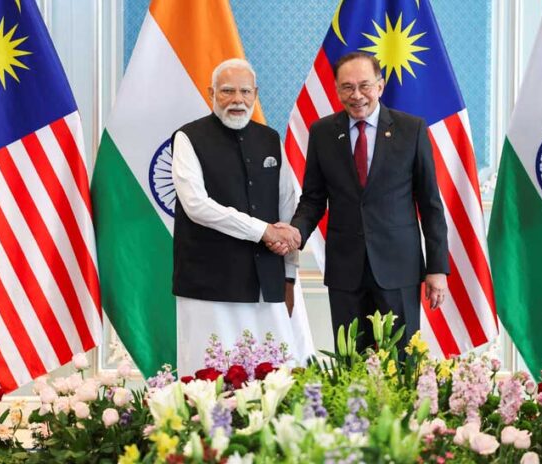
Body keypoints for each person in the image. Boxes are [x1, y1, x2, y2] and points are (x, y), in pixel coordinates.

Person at [287, 52, 449, 353]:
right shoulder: (322, 132)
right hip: (346, 269)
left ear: (380, 86)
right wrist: (295, 232)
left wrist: (437, 268)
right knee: (350, 362)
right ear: (336, 90)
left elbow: (430, 204)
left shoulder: (411, 129)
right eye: (347, 87)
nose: (357, 95)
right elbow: (313, 199)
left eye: (364, 86)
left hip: (398, 267)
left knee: (401, 361)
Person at [171, 58, 302, 375]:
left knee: (273, 380)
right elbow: (197, 206)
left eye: (245, 91)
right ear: (211, 93)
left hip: (266, 285)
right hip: (208, 286)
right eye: (227, 91)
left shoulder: (270, 139)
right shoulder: (187, 138)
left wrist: (289, 277)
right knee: (208, 380)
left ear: (255, 94)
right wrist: (263, 231)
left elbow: (287, 207)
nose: (237, 100)